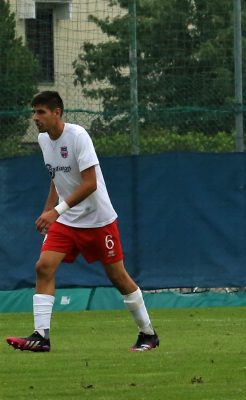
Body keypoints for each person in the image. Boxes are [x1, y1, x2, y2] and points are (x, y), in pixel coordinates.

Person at [6, 91, 159, 353]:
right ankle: (41, 337)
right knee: (43, 266)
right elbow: (55, 178)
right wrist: (49, 211)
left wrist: (56, 211)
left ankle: (148, 334)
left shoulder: (78, 136)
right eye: (33, 112)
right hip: (67, 220)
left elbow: (90, 184)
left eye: (41, 112)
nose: (35, 118)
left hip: (98, 220)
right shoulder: (44, 141)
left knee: (118, 277)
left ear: (57, 112)